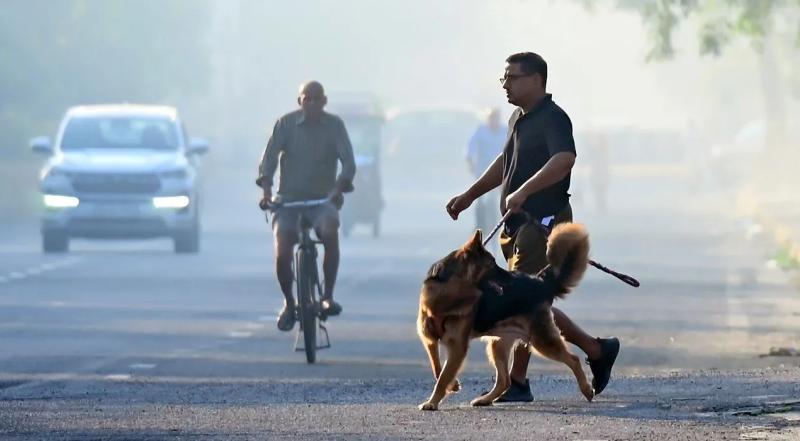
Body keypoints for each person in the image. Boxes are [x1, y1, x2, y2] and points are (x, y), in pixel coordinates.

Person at [446, 52, 619, 400]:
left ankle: (518, 381)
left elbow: (565, 159)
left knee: (522, 301)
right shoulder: (517, 118)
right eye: (504, 78)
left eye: (512, 77)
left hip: (542, 224)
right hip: (515, 226)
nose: (505, 85)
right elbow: (505, 162)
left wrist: (525, 191)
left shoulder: (553, 118)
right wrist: (470, 195)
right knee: (532, 302)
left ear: (536, 79)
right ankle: (596, 349)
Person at [257, 81, 356, 331]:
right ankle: (290, 303)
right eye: (307, 98)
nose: (312, 103)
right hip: (287, 202)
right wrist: (267, 191)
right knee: (283, 250)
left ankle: (327, 296)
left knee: (330, 232)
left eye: (316, 99)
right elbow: (269, 159)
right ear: (299, 101)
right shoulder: (285, 124)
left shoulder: (335, 125)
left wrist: (338, 188)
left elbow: (348, 162)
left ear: (324, 101)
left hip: (322, 201)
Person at [466, 108, 506, 233]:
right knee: (479, 198)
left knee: (498, 198)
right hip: (483, 170)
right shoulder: (480, 131)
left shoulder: (505, 130)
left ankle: (498, 224)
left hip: (501, 171)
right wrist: (471, 164)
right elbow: (470, 149)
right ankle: (480, 225)